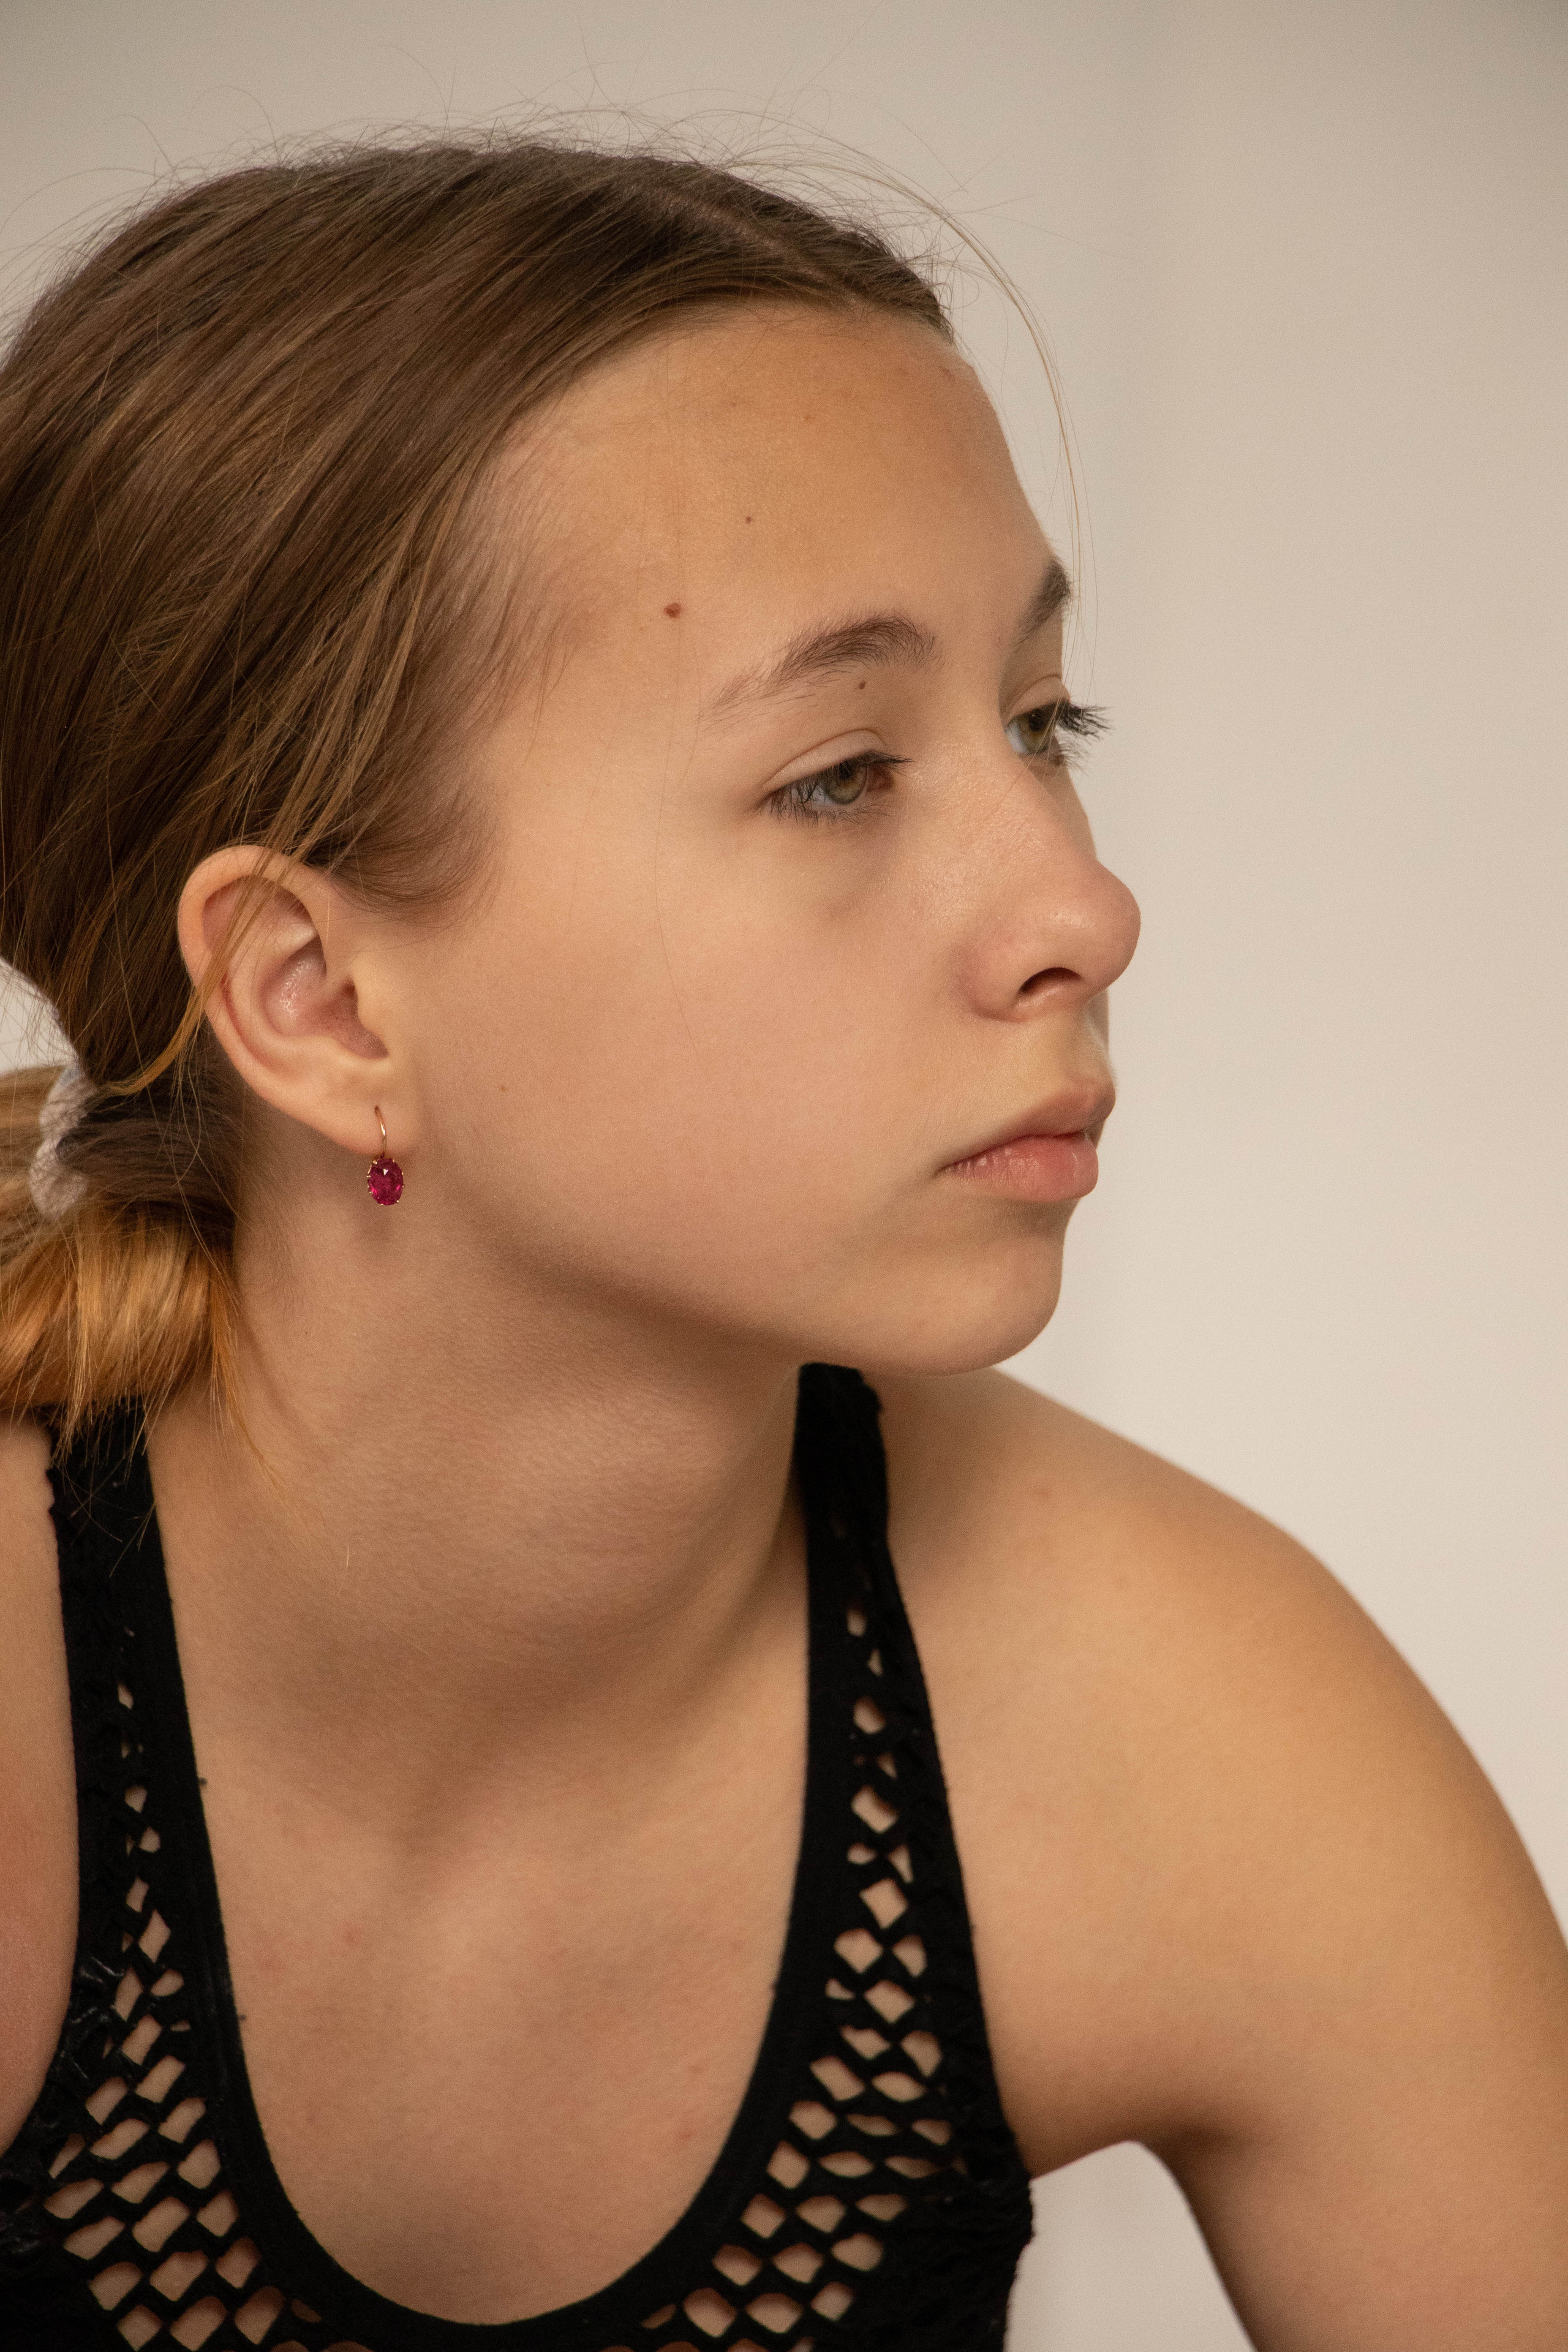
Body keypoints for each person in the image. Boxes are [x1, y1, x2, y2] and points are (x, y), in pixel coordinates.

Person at [0, 135, 1563, 2352]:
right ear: (319, 1001)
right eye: (841, 773)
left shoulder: (1201, 1727)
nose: (1082, 910)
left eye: (1044, 722)